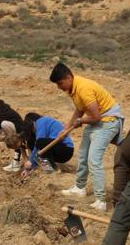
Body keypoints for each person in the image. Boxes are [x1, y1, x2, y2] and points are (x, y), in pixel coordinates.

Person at [49, 62, 124, 212]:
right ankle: (79, 188)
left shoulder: (83, 88)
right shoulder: (73, 88)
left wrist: (81, 121)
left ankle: (100, 200)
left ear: (69, 77)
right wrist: (66, 129)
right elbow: (79, 109)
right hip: (97, 120)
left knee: (93, 159)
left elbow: (95, 117)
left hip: (108, 121)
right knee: (83, 155)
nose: (59, 87)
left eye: (60, 83)